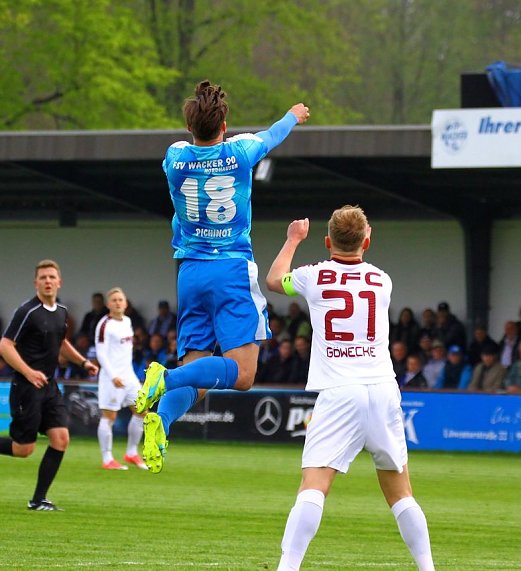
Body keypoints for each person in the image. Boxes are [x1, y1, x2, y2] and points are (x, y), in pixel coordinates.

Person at [134, 80, 310, 473]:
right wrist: (293, 115)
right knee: (244, 375)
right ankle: (164, 378)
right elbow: (272, 135)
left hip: (190, 272)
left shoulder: (175, 157)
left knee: (198, 375)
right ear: (225, 122)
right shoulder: (240, 153)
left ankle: (159, 424)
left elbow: (194, 148)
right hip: (230, 269)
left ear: (189, 126)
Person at [264, 206, 435, 571]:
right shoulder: (382, 280)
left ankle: (287, 568)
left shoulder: (314, 277)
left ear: (327, 241)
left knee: (314, 485)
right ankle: (427, 567)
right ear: (367, 241)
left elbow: (275, 279)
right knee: (401, 492)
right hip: (383, 389)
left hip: (340, 390)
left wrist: (293, 239)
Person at [0, 260, 99, 510]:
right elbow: (5, 345)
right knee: (24, 449)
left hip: (49, 386)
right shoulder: (27, 312)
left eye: (51, 277)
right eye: (42, 277)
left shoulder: (62, 312)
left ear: (59, 282)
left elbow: (62, 343)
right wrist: (28, 372)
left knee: (61, 438)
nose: (47, 281)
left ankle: (38, 500)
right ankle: (37, 500)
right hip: (26, 388)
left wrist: (83, 362)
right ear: (36, 283)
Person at [94, 287, 148, 470]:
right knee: (109, 417)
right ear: (109, 304)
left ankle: (131, 453)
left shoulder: (127, 321)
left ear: (125, 303)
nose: (118, 302)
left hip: (129, 376)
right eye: (114, 300)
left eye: (121, 299)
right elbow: (101, 354)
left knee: (142, 410)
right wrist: (113, 375)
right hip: (111, 378)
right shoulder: (104, 325)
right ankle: (107, 458)